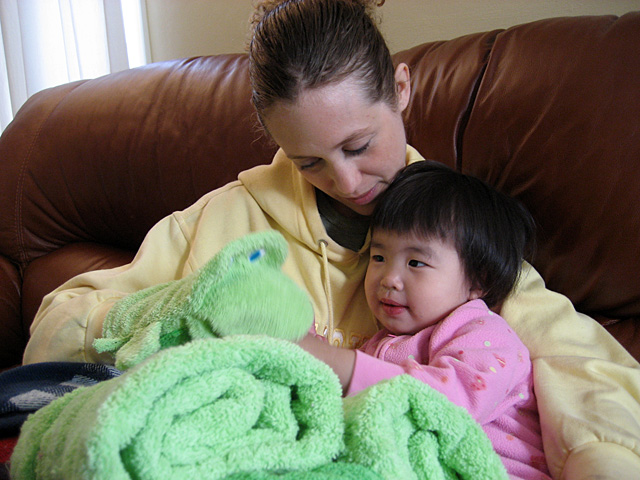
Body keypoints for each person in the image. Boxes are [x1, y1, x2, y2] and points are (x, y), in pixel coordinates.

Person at [23, 1, 640, 479]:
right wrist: (191, 305)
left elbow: (580, 361)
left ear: (400, 90)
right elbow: (61, 323)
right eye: (310, 160)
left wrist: (601, 458)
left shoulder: (454, 228)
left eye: (358, 145)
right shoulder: (220, 221)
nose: (347, 181)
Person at [357, 160, 548, 478]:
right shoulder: (381, 342)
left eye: (416, 262)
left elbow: (446, 404)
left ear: (478, 281)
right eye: (379, 257)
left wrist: (350, 369)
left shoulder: (483, 332)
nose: (389, 278)